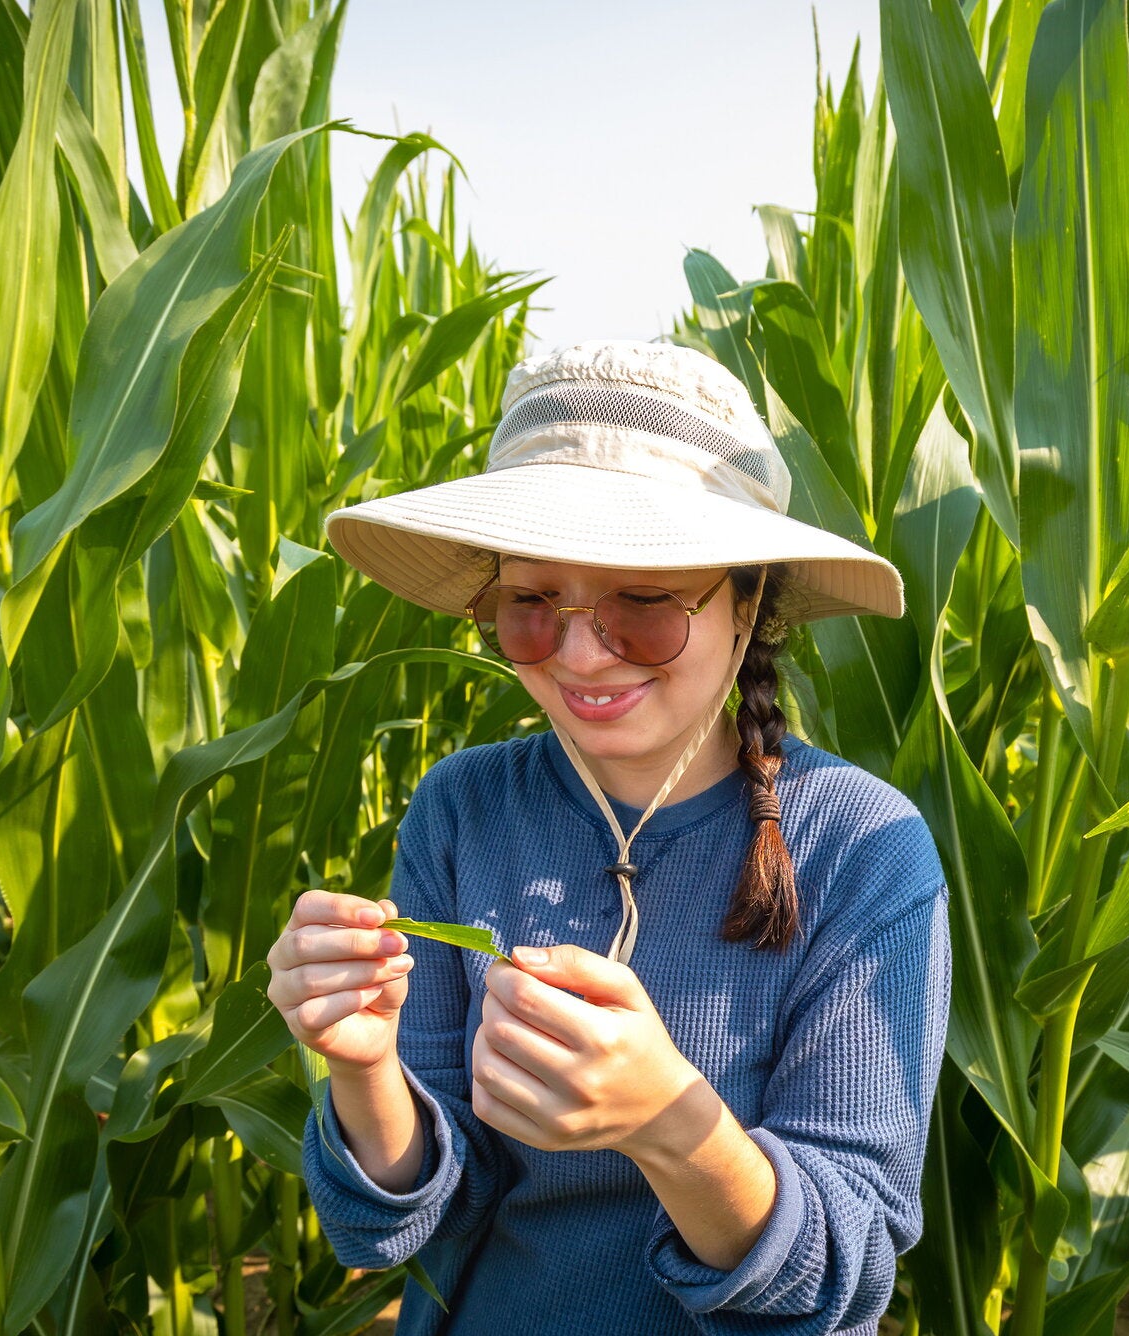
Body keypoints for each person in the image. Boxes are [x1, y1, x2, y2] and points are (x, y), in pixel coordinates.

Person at [267, 339, 951, 1334]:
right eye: (532, 605)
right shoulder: (466, 806)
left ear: (748, 600)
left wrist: (668, 1120)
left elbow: (836, 1282)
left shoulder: (863, 847)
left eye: (643, 605)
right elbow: (403, 1221)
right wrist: (365, 1066)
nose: (582, 654)